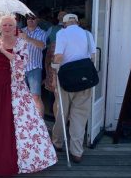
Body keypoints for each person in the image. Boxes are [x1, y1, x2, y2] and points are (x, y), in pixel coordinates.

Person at [0, 15, 57, 176]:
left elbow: (21, 66)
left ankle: (23, 159)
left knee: (17, 123)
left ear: (15, 28)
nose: (7, 28)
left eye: (10, 25)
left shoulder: (21, 43)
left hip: (15, 89)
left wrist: (4, 51)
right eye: (4, 25)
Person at [52, 13, 96, 163]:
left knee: (62, 112)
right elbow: (93, 57)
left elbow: (58, 57)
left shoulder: (61, 33)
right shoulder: (87, 34)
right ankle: (76, 152)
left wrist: (53, 72)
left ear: (64, 24)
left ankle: (57, 143)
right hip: (84, 79)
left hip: (66, 79)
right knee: (80, 116)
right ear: (77, 22)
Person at [20, 14, 47, 117]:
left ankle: (41, 126)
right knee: (21, 96)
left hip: (34, 68)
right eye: (28, 18)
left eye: (33, 18)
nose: (30, 20)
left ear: (38, 20)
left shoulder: (42, 32)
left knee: (35, 96)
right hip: (21, 68)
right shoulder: (21, 31)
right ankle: (23, 122)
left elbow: (42, 46)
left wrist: (28, 38)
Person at [44, 11, 67, 116]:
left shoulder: (52, 29)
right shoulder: (52, 28)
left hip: (57, 62)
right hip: (56, 62)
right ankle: (55, 114)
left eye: (63, 15)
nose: (61, 17)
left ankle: (54, 113)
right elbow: (44, 42)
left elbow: (45, 42)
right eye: (61, 15)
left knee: (55, 91)